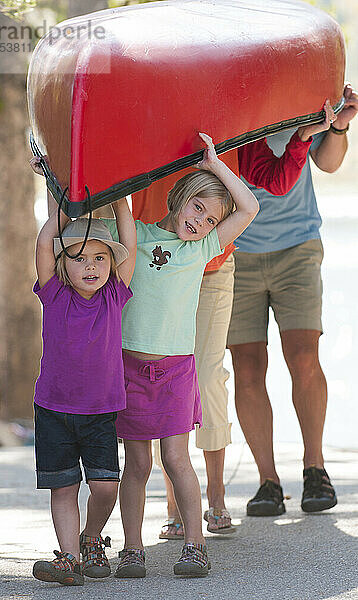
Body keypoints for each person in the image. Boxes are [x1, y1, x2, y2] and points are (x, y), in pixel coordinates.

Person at [131, 101, 336, 537]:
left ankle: (218, 497)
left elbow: (274, 181)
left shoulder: (238, 120)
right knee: (165, 374)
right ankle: (175, 504)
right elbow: (108, 177)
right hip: (155, 259)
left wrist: (298, 137)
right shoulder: (147, 111)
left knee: (206, 375)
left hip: (213, 264)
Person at [101, 132, 259, 578]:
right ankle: (132, 548)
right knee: (136, 463)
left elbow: (249, 208)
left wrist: (214, 165)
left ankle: (195, 545)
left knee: (175, 459)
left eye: (210, 220)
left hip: (174, 371)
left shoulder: (202, 250)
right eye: (197, 208)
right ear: (178, 198)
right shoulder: (134, 235)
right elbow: (93, 215)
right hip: (130, 369)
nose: (201, 222)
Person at [227, 83, 358, 516]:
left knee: (303, 355)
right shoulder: (227, 95)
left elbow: (328, 162)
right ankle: (267, 481)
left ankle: (314, 469)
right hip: (236, 251)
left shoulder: (295, 87)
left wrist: (337, 129)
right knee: (248, 365)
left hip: (297, 246)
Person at [29, 156, 137, 586]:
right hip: (53, 410)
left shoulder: (115, 295)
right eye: (77, 258)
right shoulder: (54, 295)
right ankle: (70, 558)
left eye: (98, 257)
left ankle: (92, 537)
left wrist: (122, 194)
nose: (90, 266)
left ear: (111, 263)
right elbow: (44, 243)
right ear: (62, 266)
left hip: (100, 411)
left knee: (106, 487)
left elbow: (128, 238)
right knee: (63, 488)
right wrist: (61, 193)